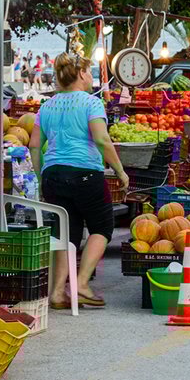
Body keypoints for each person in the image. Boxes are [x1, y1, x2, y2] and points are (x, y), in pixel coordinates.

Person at [30, 52, 131, 309]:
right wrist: (119, 170)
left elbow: (33, 146)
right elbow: (101, 139)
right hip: (85, 174)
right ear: (82, 74)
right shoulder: (91, 103)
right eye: (89, 72)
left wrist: (41, 177)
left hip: (53, 175)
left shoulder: (46, 105)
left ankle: (57, 293)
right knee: (102, 226)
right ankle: (83, 284)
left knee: (67, 233)